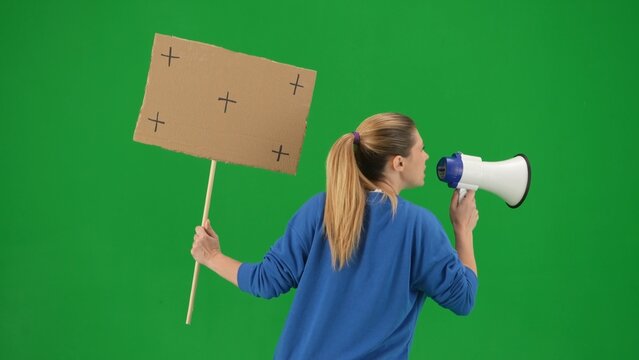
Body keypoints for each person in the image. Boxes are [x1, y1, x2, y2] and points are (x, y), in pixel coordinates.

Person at [191, 112, 479, 359]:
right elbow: (464, 298)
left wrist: (212, 256)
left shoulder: (320, 209)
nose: (427, 156)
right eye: (421, 149)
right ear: (399, 163)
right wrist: (462, 230)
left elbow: (265, 281)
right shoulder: (420, 227)